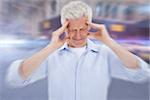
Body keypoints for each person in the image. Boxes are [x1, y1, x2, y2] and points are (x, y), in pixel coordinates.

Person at [6, 1, 149, 100]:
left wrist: (109, 41)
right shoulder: (52, 55)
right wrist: (50, 47)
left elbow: (141, 74)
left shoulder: (104, 54)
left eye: (82, 29)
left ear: (90, 26)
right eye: (73, 30)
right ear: (64, 28)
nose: (78, 35)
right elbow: (16, 78)